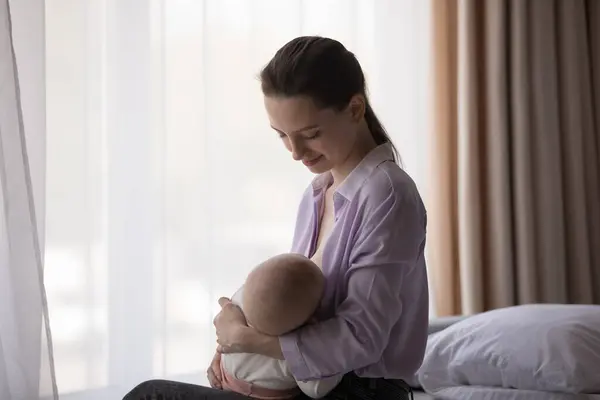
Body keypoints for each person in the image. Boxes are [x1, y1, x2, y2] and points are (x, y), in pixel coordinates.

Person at [123, 35, 428, 400]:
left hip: (358, 393)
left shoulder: (387, 194)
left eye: (310, 134)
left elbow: (362, 338)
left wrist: (250, 340)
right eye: (282, 135)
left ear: (355, 108)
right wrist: (233, 340)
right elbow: (292, 299)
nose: (296, 152)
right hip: (304, 385)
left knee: (152, 396)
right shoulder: (317, 194)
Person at [219, 253, 342, 399]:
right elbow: (317, 389)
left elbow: (223, 312)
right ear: (311, 320)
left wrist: (226, 306)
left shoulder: (240, 302)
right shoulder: (297, 358)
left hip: (222, 378)